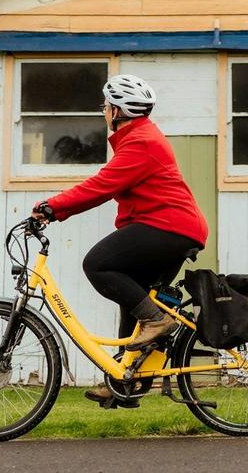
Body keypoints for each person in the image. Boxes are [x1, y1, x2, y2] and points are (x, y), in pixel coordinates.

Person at [32, 73, 209, 406]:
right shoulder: (139, 139)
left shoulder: (142, 142)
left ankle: (158, 321)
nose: (103, 111)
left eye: (105, 106)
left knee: (98, 264)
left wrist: (52, 207)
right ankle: (126, 381)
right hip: (172, 226)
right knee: (136, 299)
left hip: (169, 226)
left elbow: (101, 186)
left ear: (116, 111)